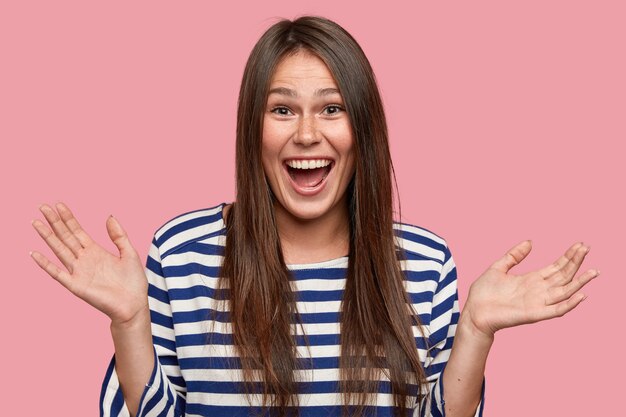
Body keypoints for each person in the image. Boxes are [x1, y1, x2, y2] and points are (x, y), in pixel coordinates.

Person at [30, 16, 598, 417]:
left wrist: (475, 331)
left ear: (364, 129)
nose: (306, 134)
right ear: (252, 129)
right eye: (282, 109)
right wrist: (130, 324)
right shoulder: (181, 255)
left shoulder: (425, 264)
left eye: (332, 108)